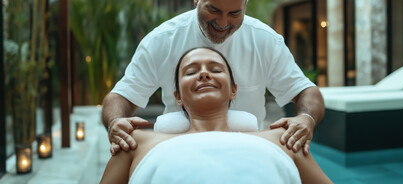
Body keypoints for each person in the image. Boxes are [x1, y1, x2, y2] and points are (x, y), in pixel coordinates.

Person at [102, 0, 325, 156]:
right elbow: (121, 97)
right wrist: (115, 123)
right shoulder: (162, 41)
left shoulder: (265, 42)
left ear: (245, 6)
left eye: (234, 13)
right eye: (214, 10)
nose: (222, 22)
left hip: (248, 153)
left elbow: (307, 91)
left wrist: (306, 119)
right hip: (180, 153)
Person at [100, 47, 332, 184]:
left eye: (215, 69)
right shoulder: (136, 142)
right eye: (191, 72)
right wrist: (114, 123)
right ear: (177, 96)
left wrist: (306, 118)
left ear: (233, 90)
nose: (203, 74)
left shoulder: (284, 138)